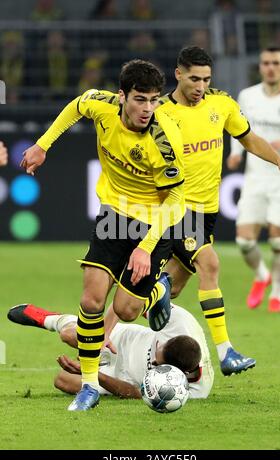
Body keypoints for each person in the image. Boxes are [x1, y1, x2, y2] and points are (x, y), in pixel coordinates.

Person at [20, 59, 185, 411]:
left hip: (154, 225)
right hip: (113, 217)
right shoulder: (102, 104)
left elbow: (175, 200)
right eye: (141, 99)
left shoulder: (165, 139)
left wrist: (145, 248)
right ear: (122, 95)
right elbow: (75, 106)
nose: (148, 109)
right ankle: (90, 386)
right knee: (92, 302)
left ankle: (158, 285)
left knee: (125, 312)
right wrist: (43, 145)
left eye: (155, 100)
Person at [157, 46, 280, 375]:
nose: (200, 87)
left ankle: (123, 320)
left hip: (207, 210)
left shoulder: (221, 104)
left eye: (206, 80)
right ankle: (226, 353)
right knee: (210, 262)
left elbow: (248, 138)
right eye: (194, 79)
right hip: (176, 207)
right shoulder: (161, 112)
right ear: (178, 74)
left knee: (173, 286)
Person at [7, 302, 214, 400]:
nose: (155, 354)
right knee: (71, 336)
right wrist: (105, 334)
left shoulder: (192, 392)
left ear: (176, 374)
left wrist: (92, 374)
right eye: (158, 345)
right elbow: (129, 302)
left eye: (157, 364)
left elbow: (137, 393)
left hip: (124, 378)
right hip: (122, 340)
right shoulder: (177, 321)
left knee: (62, 380)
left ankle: (92, 367)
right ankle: (53, 319)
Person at [227, 47, 280, 313]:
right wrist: (235, 153)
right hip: (255, 177)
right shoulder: (248, 96)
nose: (270, 67)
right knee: (244, 241)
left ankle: (277, 295)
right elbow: (240, 130)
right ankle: (261, 275)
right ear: (260, 67)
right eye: (265, 62)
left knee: (279, 241)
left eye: (275, 63)